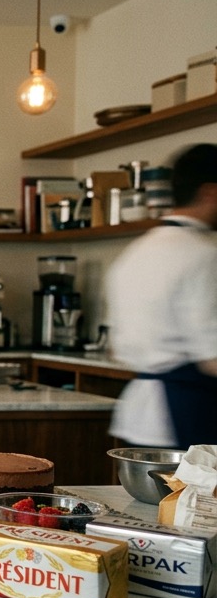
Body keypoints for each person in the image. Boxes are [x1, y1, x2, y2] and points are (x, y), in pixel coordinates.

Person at [105, 143, 217, 449]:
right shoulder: (203, 255)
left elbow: (117, 347)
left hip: (140, 417)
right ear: (210, 193)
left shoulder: (135, 252)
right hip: (189, 414)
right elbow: (212, 356)